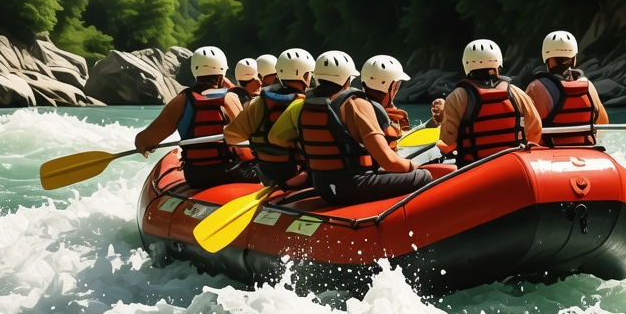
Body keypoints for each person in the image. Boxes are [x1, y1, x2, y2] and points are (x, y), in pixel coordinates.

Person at [268, 50, 439, 206]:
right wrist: (414, 167)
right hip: (351, 186)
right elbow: (389, 162)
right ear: (346, 79)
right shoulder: (356, 104)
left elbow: (277, 139)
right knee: (423, 177)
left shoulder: (302, 104)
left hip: (322, 186)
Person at [134, 45, 257, 188]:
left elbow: (144, 140)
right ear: (222, 73)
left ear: (195, 71)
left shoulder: (180, 101)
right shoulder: (230, 98)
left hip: (195, 176)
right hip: (229, 172)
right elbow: (246, 144)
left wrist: (145, 145)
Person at [436, 39, 542, 166]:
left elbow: (447, 144)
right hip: (512, 167)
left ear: (466, 64)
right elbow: (535, 132)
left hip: (474, 169)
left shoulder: (457, 97)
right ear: (498, 63)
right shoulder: (517, 93)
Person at [223, 47, 315, 188]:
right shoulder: (305, 104)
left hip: (266, 174)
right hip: (299, 175)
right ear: (305, 76)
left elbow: (231, 136)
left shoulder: (259, 102)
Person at [525, 30, 609, 146]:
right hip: (585, 151)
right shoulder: (588, 87)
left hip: (549, 154)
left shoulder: (535, 87)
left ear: (548, 59)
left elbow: (528, 131)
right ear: (574, 58)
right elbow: (603, 123)